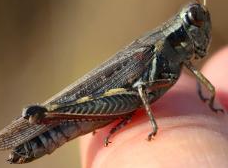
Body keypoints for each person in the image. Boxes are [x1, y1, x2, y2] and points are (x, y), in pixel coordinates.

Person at [80, 47, 228, 168]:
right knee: (141, 87)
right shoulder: (158, 50)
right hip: (81, 109)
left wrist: (206, 98)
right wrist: (153, 125)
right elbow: (141, 87)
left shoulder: (179, 59)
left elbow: (205, 83)